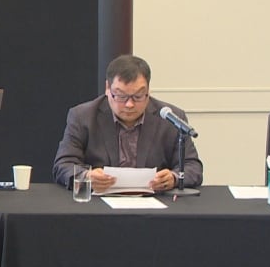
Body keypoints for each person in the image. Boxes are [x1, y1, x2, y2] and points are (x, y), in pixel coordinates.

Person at [53, 54, 202, 193]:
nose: (129, 104)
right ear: (107, 89)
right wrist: (86, 176)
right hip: (99, 204)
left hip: (154, 204)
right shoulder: (83, 116)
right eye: (121, 96)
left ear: (148, 91)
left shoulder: (170, 118)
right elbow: (63, 165)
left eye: (138, 96)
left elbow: (193, 167)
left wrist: (174, 178)